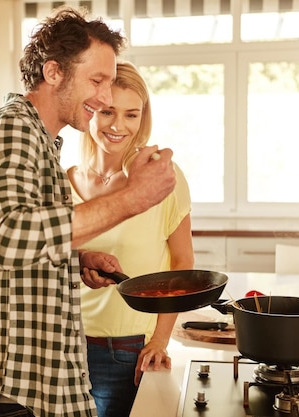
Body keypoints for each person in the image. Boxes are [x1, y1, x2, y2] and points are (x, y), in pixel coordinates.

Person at [0, 7, 177, 417]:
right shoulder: (12, 129)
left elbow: (25, 237)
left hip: (31, 382)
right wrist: (133, 197)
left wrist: (75, 260)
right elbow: (12, 238)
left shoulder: (40, 139)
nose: (105, 97)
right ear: (54, 73)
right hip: (8, 387)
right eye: (97, 80)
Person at [68, 61, 194, 417]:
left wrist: (159, 340)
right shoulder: (64, 180)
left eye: (131, 114)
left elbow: (183, 263)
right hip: (65, 345)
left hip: (126, 351)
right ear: (90, 110)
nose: (117, 126)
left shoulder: (162, 177)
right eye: (107, 111)